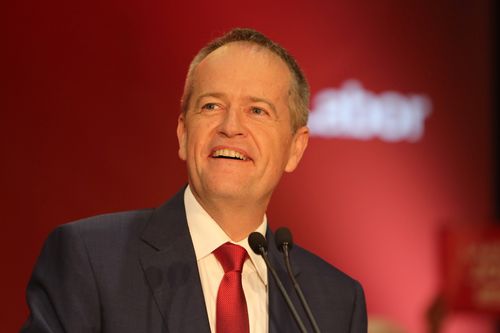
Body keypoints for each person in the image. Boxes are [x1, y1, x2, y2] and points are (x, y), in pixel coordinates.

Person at [22, 28, 367, 333]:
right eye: (211, 106)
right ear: (184, 134)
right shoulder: (92, 259)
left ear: (296, 147)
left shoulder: (334, 302)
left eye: (257, 111)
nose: (231, 127)